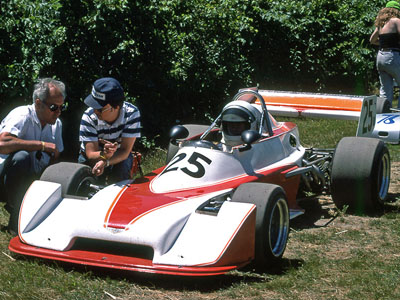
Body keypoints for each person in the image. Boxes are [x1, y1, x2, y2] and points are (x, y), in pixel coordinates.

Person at [0, 78, 66, 235]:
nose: (58, 112)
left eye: (61, 107)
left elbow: (56, 157)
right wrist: (40, 145)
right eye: (53, 107)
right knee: (21, 157)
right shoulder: (22, 115)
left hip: (32, 179)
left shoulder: (57, 124)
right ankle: (15, 214)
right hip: (4, 179)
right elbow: (2, 143)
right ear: (38, 103)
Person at [79, 77, 141, 184]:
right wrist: (104, 154)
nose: (95, 111)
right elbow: (90, 153)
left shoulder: (131, 114)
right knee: (88, 183)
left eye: (99, 109)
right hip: (94, 156)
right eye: (93, 106)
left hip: (119, 155)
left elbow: (125, 151)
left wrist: (106, 161)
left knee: (122, 174)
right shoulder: (88, 116)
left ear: (116, 107)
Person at [370, 1, 400, 108]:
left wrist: (383, 43)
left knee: (385, 89)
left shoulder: (380, 24)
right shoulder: (396, 21)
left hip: (380, 57)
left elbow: (372, 40)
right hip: (392, 56)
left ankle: (383, 112)